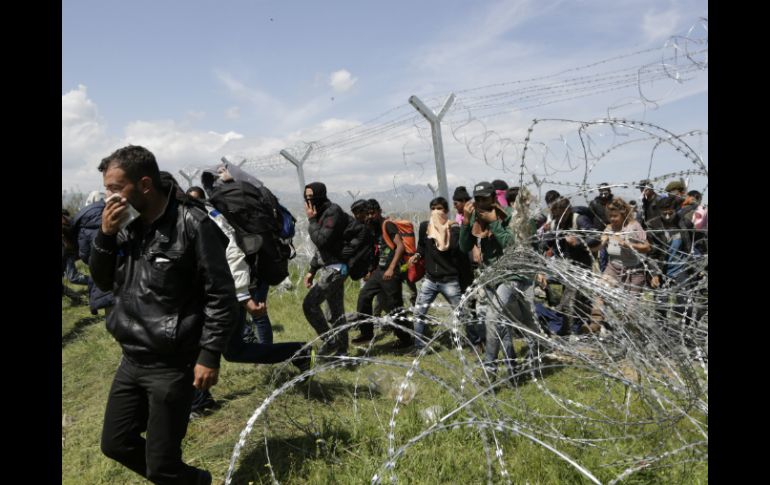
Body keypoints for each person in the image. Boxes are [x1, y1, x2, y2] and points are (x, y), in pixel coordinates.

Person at [90, 145, 236, 485]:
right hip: (131, 357)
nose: (108, 196)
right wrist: (105, 235)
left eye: (115, 188)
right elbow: (101, 280)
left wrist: (210, 353)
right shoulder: (125, 223)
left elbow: (220, 294)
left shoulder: (192, 223)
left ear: (144, 184)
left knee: (161, 466)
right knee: (115, 443)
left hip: (172, 363)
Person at [459, 181, 534, 381]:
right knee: (501, 325)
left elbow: (511, 245)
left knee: (493, 318)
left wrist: (494, 222)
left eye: (485, 199)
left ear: (493, 199)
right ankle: (513, 370)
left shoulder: (510, 216)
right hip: (491, 276)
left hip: (511, 275)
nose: (481, 204)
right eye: (478, 200)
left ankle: (489, 368)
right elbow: (465, 246)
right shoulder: (476, 218)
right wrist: (466, 223)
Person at [409, 197, 466, 354]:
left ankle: (474, 342)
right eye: (433, 208)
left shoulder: (453, 229)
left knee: (462, 314)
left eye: (439, 208)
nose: (436, 212)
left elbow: (455, 251)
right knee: (418, 313)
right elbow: (421, 246)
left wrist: (444, 231)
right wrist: (418, 255)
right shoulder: (425, 228)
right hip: (430, 279)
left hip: (449, 281)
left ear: (446, 211)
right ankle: (419, 347)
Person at [302, 182, 351, 356]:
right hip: (329, 268)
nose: (309, 200)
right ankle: (342, 351)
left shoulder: (332, 212)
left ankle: (331, 342)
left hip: (336, 269)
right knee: (335, 314)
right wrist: (312, 270)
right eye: (306, 197)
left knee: (309, 305)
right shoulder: (322, 213)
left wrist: (312, 220)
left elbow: (321, 240)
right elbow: (323, 248)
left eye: (311, 196)